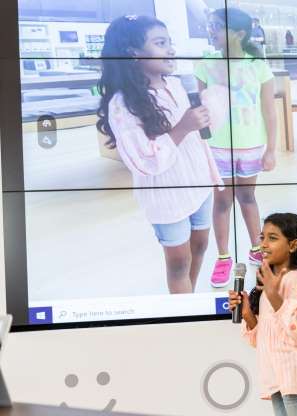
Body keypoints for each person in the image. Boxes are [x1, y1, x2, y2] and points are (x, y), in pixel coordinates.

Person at [96, 15, 223, 294]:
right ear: (133, 54)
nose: (170, 49)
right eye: (160, 43)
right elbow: (145, 160)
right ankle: (184, 313)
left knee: (200, 245)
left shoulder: (176, 85)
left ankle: (186, 298)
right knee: (178, 263)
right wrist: (184, 127)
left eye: (170, 43)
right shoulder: (122, 103)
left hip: (197, 182)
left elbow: (199, 131)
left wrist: (207, 109)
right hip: (166, 194)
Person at [195, 8, 277, 287]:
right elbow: (200, 111)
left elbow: (269, 111)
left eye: (217, 27)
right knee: (221, 201)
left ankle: (258, 249)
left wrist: (272, 150)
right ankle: (223, 256)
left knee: (248, 198)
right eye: (211, 26)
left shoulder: (258, 65)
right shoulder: (205, 64)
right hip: (218, 147)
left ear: (239, 34)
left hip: (251, 145)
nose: (212, 32)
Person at [228, 213, 297, 416]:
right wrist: (248, 315)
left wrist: (275, 296)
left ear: (293, 245)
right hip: (278, 382)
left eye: (272, 238)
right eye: (262, 237)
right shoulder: (269, 286)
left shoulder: (296, 280)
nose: (264, 244)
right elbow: (268, 339)